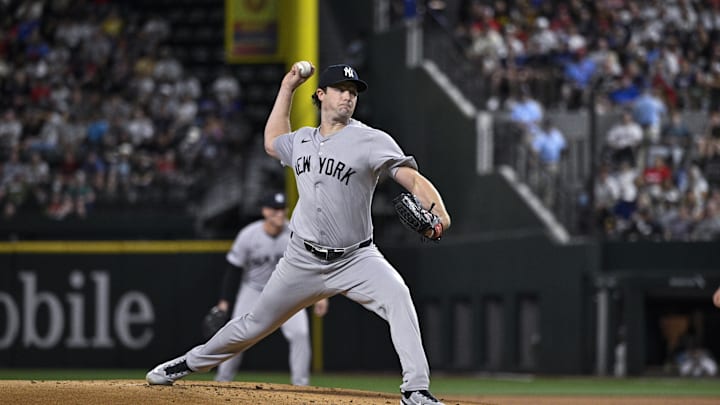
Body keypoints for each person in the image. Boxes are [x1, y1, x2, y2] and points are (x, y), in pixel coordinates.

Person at [145, 63, 451, 405]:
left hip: (356, 257)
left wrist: (439, 212)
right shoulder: (303, 139)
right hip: (301, 259)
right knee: (252, 325)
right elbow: (273, 141)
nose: (348, 97)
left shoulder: (371, 140)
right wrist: (287, 87)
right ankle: (187, 363)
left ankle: (415, 390)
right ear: (321, 95)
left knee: (398, 295)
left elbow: (411, 177)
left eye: (353, 92)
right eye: (340, 90)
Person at [213, 191, 328, 385]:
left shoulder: (295, 232)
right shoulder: (249, 235)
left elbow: (312, 264)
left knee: (300, 333)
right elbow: (233, 271)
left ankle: (301, 386)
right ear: (265, 211)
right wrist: (224, 303)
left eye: (282, 209)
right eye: (275, 210)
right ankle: (222, 382)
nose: (279, 214)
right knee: (236, 335)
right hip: (254, 290)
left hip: (287, 291)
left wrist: (322, 296)